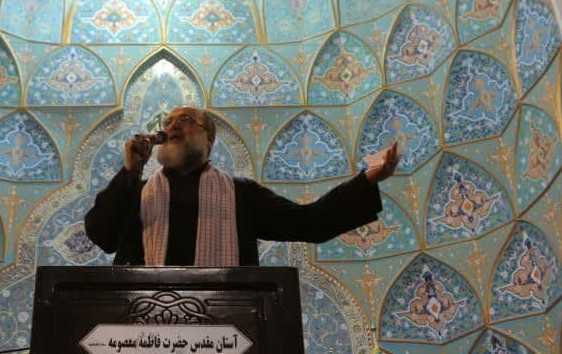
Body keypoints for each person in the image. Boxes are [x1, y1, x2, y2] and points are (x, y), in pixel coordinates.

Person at [84, 106, 400, 266]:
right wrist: (130, 172)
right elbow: (102, 235)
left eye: (186, 120)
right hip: (140, 335)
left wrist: (368, 179)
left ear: (209, 140)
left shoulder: (241, 195)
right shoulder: (135, 191)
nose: (173, 125)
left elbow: (310, 223)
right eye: (168, 122)